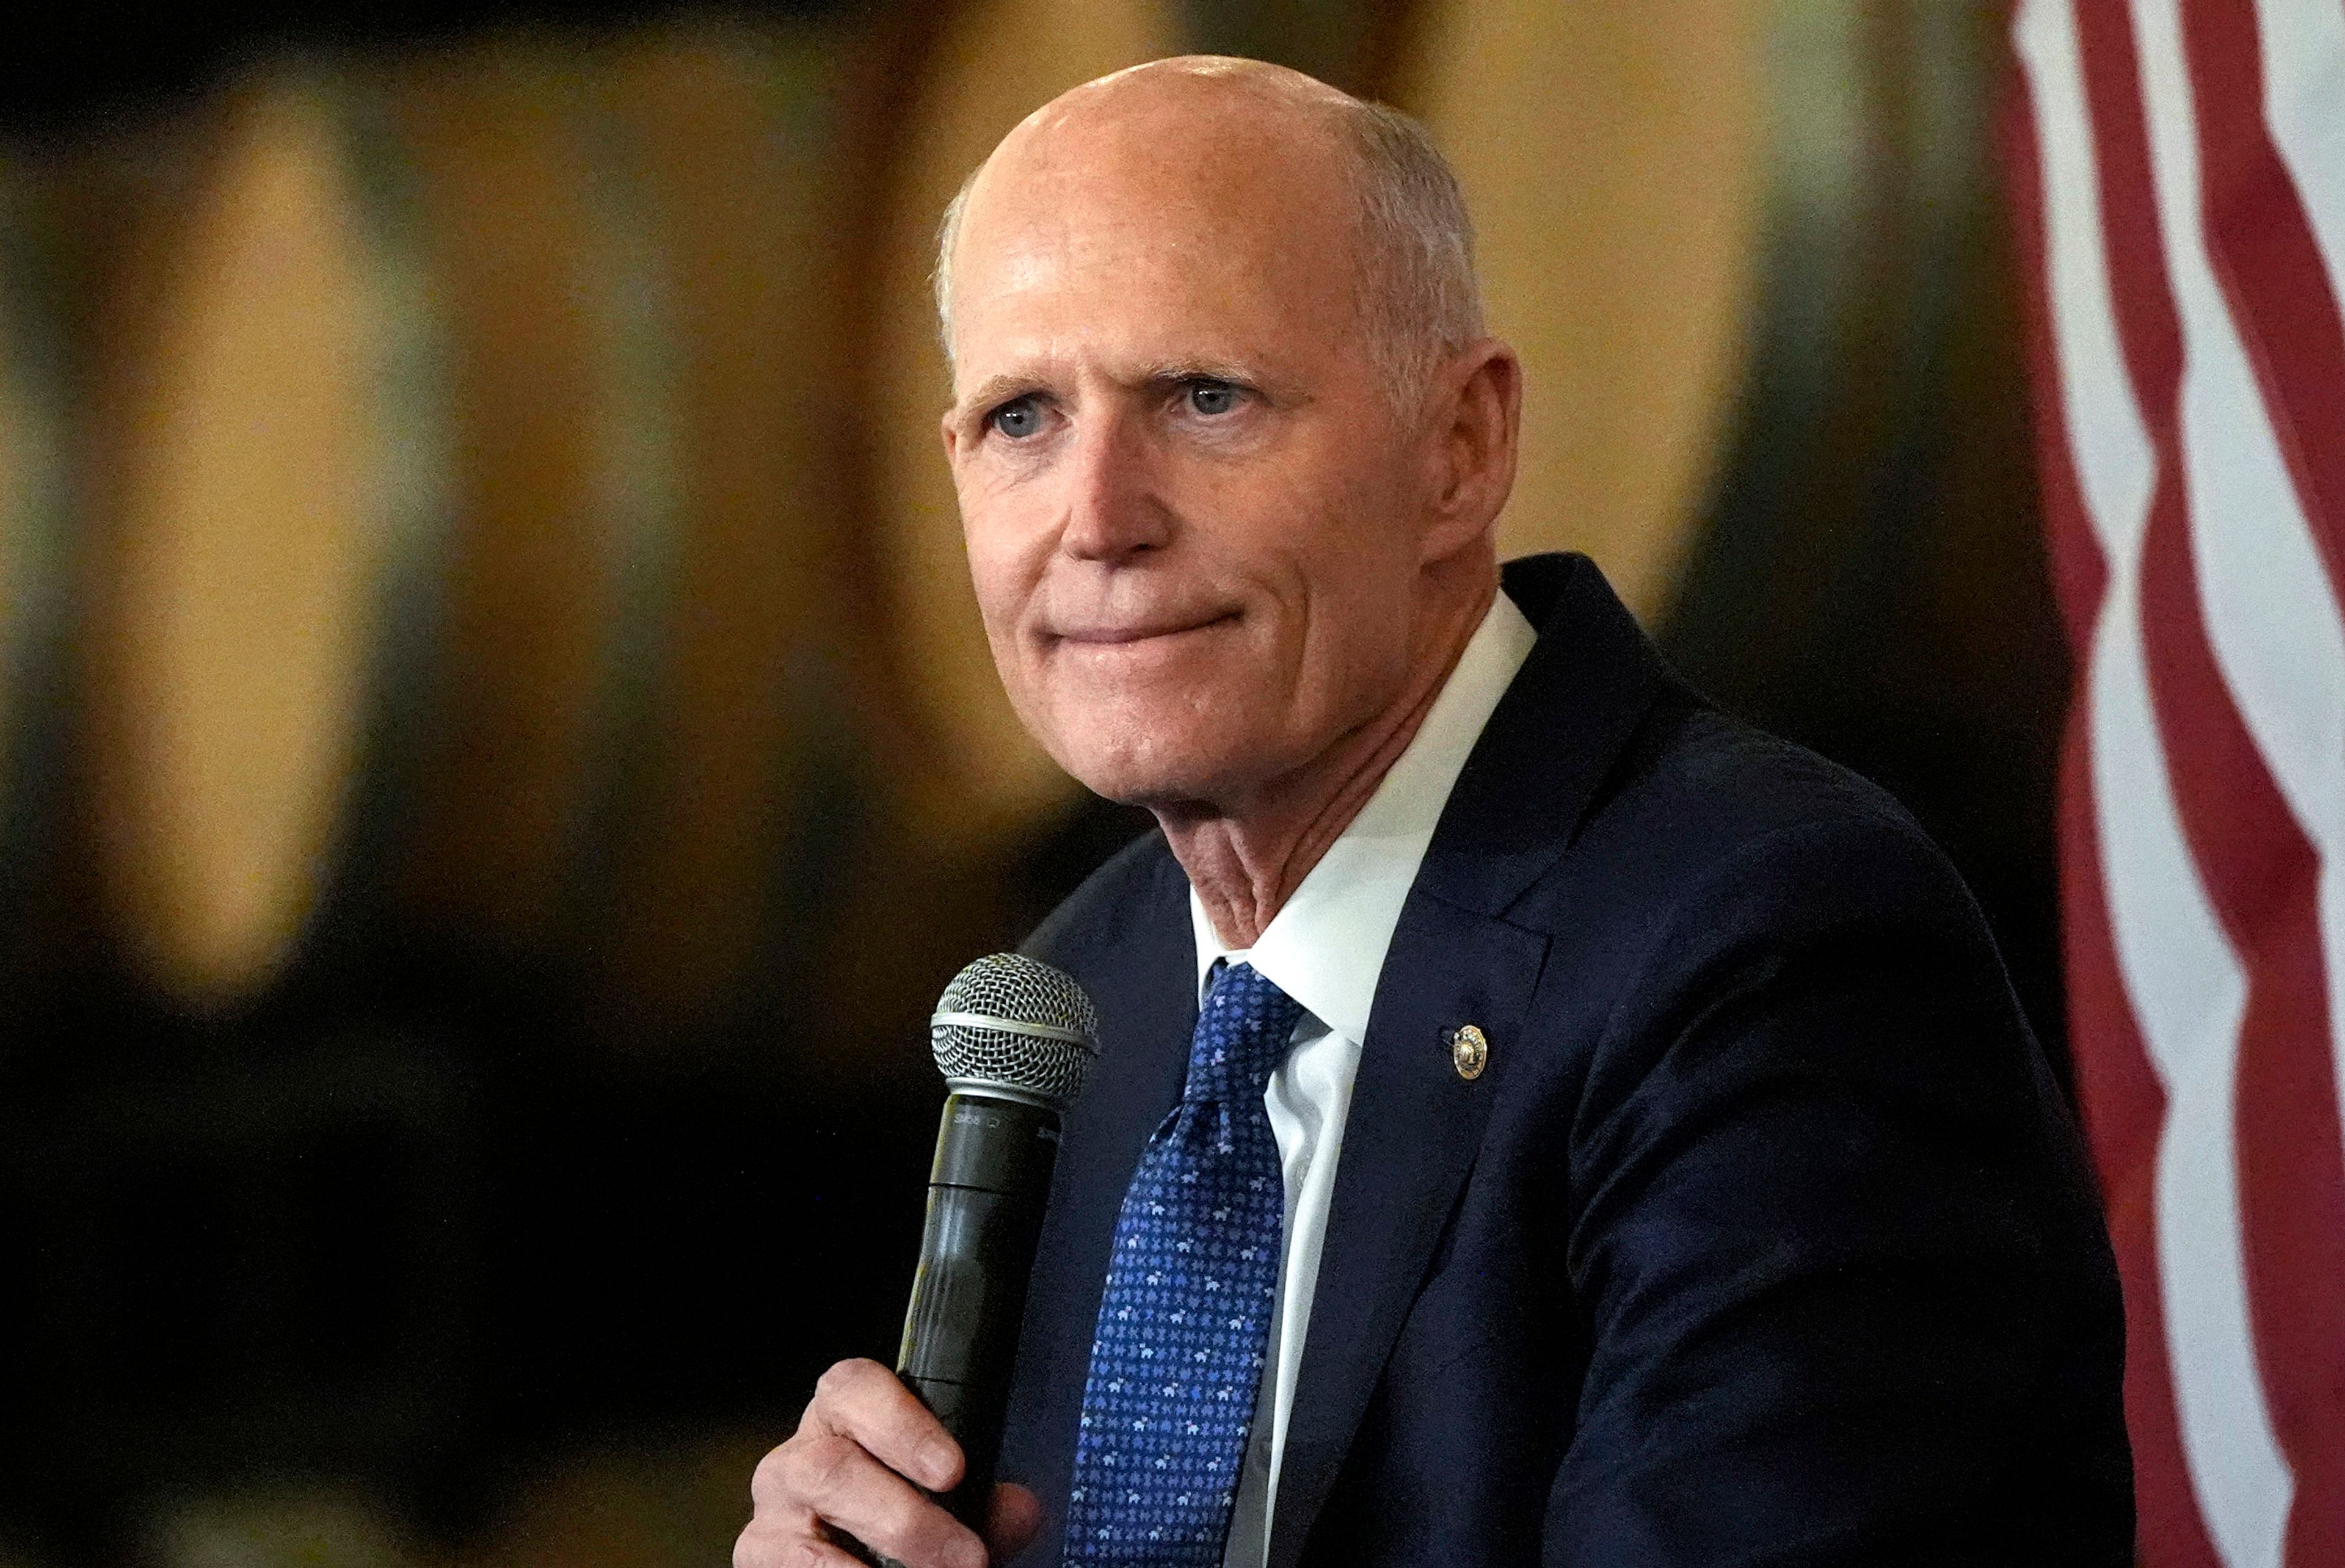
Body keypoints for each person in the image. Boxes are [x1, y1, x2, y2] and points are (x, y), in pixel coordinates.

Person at [736, 56, 2131, 1568]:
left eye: (1205, 398)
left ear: (1459, 449)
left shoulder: (1769, 952)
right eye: (1021, 419)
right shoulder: (1077, 1001)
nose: (1095, 517)